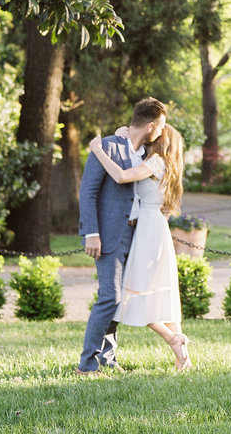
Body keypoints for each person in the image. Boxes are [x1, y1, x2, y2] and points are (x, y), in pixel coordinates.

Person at [88, 123, 192, 371]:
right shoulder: (167, 164)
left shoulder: (156, 162)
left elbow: (122, 176)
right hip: (154, 227)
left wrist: (98, 150)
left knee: (134, 297)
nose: (149, 137)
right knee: (160, 295)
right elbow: (133, 146)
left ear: (160, 139)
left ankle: (173, 339)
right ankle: (183, 357)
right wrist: (124, 132)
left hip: (147, 230)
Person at [76, 97, 167, 376]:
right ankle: (87, 364)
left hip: (136, 235)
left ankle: (108, 357)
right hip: (107, 235)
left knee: (121, 298)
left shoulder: (147, 155)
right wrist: (91, 233)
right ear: (151, 125)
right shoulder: (107, 146)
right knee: (110, 297)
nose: (163, 131)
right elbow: (87, 193)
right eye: (161, 126)